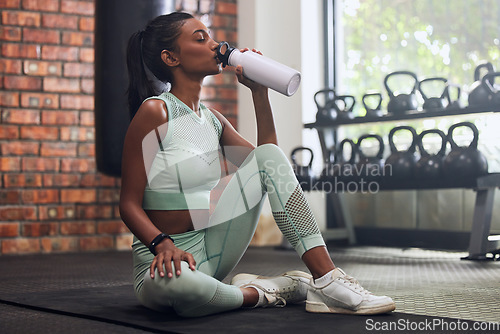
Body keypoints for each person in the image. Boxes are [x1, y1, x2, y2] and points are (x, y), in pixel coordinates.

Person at [119, 11, 395, 318]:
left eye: (211, 36)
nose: (215, 44)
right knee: (181, 290)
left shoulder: (212, 121)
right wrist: (162, 245)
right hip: (166, 258)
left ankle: (327, 279)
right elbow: (128, 204)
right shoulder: (156, 112)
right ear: (171, 58)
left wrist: (259, 92)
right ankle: (271, 290)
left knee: (269, 159)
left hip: (213, 246)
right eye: (201, 39)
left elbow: (269, 162)